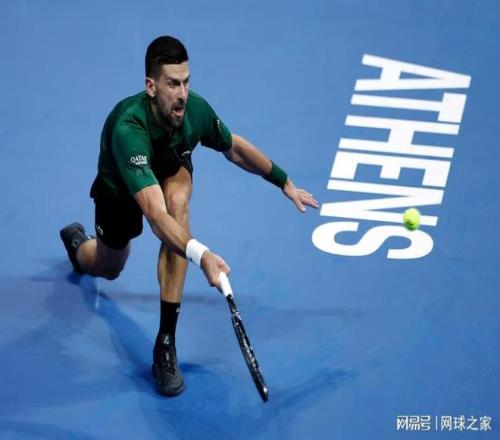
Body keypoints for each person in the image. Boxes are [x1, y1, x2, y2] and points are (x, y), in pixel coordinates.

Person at [60, 36, 319, 397]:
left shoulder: (194, 110)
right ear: (151, 87)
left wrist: (284, 181)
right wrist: (202, 255)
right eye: (172, 84)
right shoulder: (127, 129)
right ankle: (79, 246)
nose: (182, 94)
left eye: (186, 82)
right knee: (108, 266)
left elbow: (235, 149)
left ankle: (165, 343)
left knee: (178, 205)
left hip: (169, 169)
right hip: (120, 191)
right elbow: (155, 215)